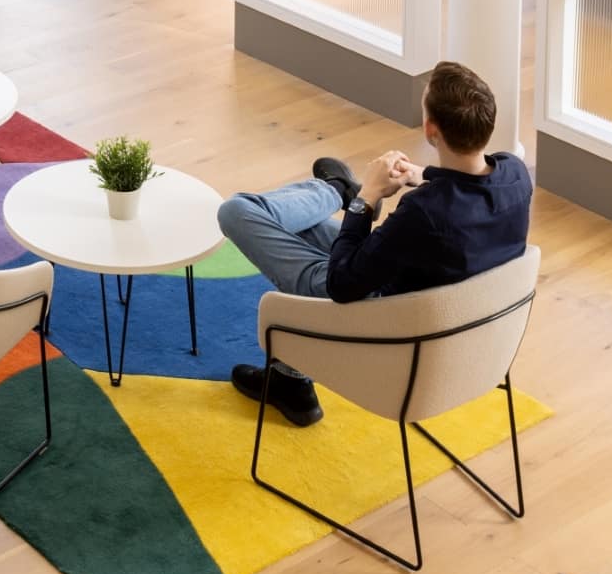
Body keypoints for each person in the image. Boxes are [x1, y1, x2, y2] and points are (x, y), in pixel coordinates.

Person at [216, 61, 534, 426]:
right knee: (292, 225)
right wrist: (422, 175)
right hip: (466, 340)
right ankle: (289, 382)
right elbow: (462, 194)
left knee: (237, 211)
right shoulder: (514, 175)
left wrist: (365, 198)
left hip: (384, 325)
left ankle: (336, 191)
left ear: (430, 129)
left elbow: (340, 283)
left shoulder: (425, 214)